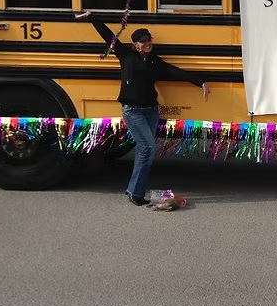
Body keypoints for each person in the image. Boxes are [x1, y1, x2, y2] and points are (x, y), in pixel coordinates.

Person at [76, 11, 210, 206]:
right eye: (143, 40)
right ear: (135, 44)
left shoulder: (155, 61)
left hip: (151, 110)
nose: (148, 43)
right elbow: (108, 36)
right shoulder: (125, 55)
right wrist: (92, 18)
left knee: (143, 149)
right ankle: (136, 193)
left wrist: (201, 82)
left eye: (149, 40)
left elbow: (175, 72)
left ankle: (132, 189)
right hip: (133, 111)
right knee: (148, 147)